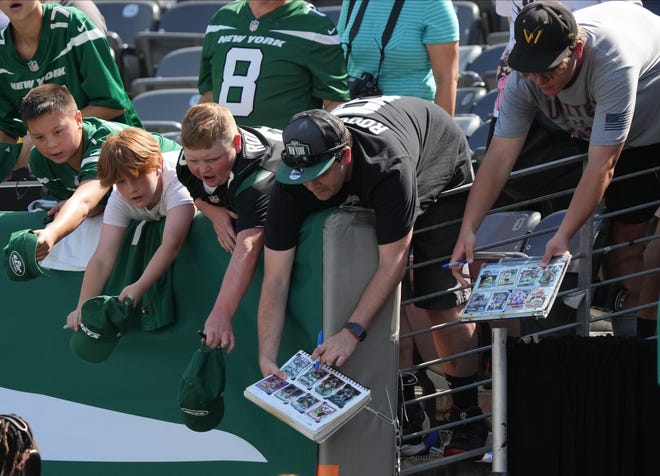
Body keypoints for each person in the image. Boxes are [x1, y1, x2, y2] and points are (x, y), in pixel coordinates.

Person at [257, 95, 488, 456]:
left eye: (319, 176)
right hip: (383, 154)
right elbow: (275, 279)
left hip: (435, 158)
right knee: (353, 274)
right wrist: (267, 357)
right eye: (303, 178)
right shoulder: (295, 181)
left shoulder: (388, 166)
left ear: (344, 156)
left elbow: (393, 263)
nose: (311, 187)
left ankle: (467, 408)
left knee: (437, 299)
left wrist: (351, 333)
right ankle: (405, 390)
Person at [451, 1, 660, 337]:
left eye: (549, 71)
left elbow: (603, 165)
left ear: (576, 50)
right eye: (530, 69)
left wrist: (563, 236)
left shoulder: (612, 62)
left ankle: (643, 341)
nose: (538, 80)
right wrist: (469, 229)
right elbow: (499, 158)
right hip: (581, 125)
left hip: (649, 129)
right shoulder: (526, 76)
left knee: (629, 241)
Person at [176, 102, 282, 352]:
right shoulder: (184, 165)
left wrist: (221, 314)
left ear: (235, 143)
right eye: (194, 160)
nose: (202, 169)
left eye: (212, 159)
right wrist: (212, 212)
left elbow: (249, 244)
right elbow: (197, 193)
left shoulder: (256, 177)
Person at [65, 127, 195, 331]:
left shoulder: (179, 180)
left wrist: (139, 286)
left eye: (138, 175)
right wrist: (83, 305)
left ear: (158, 165)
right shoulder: (119, 197)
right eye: (121, 181)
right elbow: (102, 257)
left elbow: (172, 243)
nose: (131, 188)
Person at [0, 0, 141, 174]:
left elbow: (112, 105)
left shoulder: (73, 22)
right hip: (60, 175)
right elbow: (6, 127)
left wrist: (39, 136)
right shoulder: (1, 50)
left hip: (120, 160)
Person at [20, 83, 129, 271]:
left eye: (57, 132)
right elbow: (93, 207)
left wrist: (52, 233)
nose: (51, 144)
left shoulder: (106, 140)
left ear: (78, 119)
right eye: (39, 138)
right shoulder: (39, 160)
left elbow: (85, 201)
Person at [197, 0, 350, 129]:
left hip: (283, 154)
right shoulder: (223, 17)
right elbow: (209, 95)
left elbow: (335, 103)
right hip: (224, 152)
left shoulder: (314, 25)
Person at [337, 0, 459, 115]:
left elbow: (447, 80)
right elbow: (338, 59)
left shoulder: (433, 3)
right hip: (354, 117)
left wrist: (439, 136)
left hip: (410, 122)